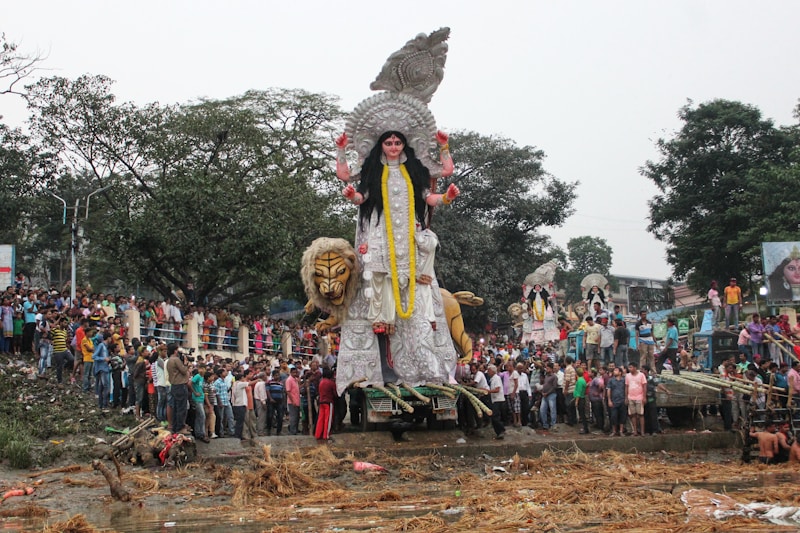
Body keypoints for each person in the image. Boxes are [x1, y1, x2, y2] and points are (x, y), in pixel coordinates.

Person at [334, 127, 459, 391]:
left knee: (419, 307)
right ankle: (385, 366)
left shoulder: (413, 171)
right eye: (389, 142)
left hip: (410, 244)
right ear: (381, 145)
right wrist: (342, 152)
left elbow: (437, 184)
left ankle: (427, 366)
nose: (393, 146)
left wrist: (447, 195)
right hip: (381, 241)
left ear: (404, 145)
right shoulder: (373, 171)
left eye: (398, 142)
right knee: (381, 301)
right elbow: (353, 188)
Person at [166, 344, 189, 435]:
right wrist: (186, 363)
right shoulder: (176, 360)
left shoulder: (169, 361)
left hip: (174, 385)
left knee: (175, 407)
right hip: (180, 385)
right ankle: (180, 427)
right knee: (181, 408)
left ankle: (175, 426)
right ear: (175, 351)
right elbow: (183, 370)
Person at [315, 366, 337, 442]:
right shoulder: (331, 383)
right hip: (328, 402)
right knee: (328, 419)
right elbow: (335, 394)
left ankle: (318, 434)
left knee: (320, 419)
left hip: (321, 402)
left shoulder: (321, 382)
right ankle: (326, 435)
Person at [625, 362, 647, 437]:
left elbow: (644, 386)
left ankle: (642, 431)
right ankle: (635, 431)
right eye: (629, 367)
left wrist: (644, 397)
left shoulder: (641, 375)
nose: (629, 369)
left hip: (639, 397)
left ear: (635, 367)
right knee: (633, 414)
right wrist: (626, 397)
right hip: (631, 397)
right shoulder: (627, 376)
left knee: (640, 414)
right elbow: (626, 386)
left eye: (631, 367)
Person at [486, 365, 506, 439]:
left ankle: (501, 430)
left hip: (498, 399)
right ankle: (498, 433)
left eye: (489, 371)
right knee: (494, 417)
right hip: (495, 399)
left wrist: (489, 391)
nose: (488, 372)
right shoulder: (492, 379)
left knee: (495, 417)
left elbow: (497, 389)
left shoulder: (496, 378)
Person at [606, 367, 627, 436]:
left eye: (616, 370)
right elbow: (609, 390)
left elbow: (626, 389)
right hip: (614, 401)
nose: (614, 371)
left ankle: (621, 431)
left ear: (620, 372)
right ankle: (614, 431)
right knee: (613, 416)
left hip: (622, 400)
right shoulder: (611, 380)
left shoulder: (624, 380)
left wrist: (626, 398)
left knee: (622, 416)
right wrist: (609, 400)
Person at [573, 363, 589, 434]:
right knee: (582, 414)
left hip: (580, 399)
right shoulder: (583, 380)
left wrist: (576, 401)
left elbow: (578, 392)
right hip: (582, 398)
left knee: (582, 414)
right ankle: (585, 428)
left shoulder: (579, 381)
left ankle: (585, 428)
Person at [285, 366, 301, 435]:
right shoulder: (289, 380)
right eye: (293, 372)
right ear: (291, 373)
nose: (295, 374)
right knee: (293, 417)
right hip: (292, 401)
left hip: (297, 400)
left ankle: (295, 430)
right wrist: (293, 401)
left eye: (296, 372)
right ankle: (292, 431)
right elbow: (288, 391)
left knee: (297, 417)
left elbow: (298, 388)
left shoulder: (295, 380)